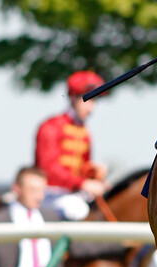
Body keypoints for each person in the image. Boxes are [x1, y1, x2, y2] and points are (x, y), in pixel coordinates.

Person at [35, 70, 109, 220]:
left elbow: (82, 167)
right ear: (73, 97)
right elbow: (48, 169)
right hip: (50, 195)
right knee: (77, 210)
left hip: (74, 194)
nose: (92, 108)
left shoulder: (84, 132)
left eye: (95, 102)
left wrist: (93, 173)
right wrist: (83, 183)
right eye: (89, 101)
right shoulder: (51, 126)